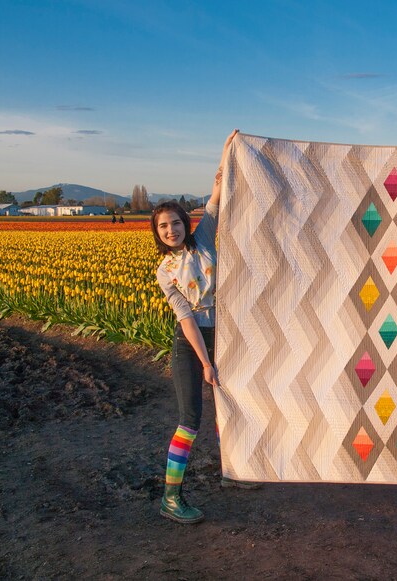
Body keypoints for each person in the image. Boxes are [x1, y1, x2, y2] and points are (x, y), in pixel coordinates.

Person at [152, 128, 258, 525]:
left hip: (224, 335)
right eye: (163, 227)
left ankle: (232, 472)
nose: (171, 230)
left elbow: (217, 191)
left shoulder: (205, 239)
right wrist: (206, 363)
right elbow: (186, 319)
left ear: (185, 222)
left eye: (175, 223)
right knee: (190, 418)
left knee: (230, 406)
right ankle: (171, 497)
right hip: (191, 342)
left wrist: (228, 151)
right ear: (158, 233)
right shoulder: (165, 271)